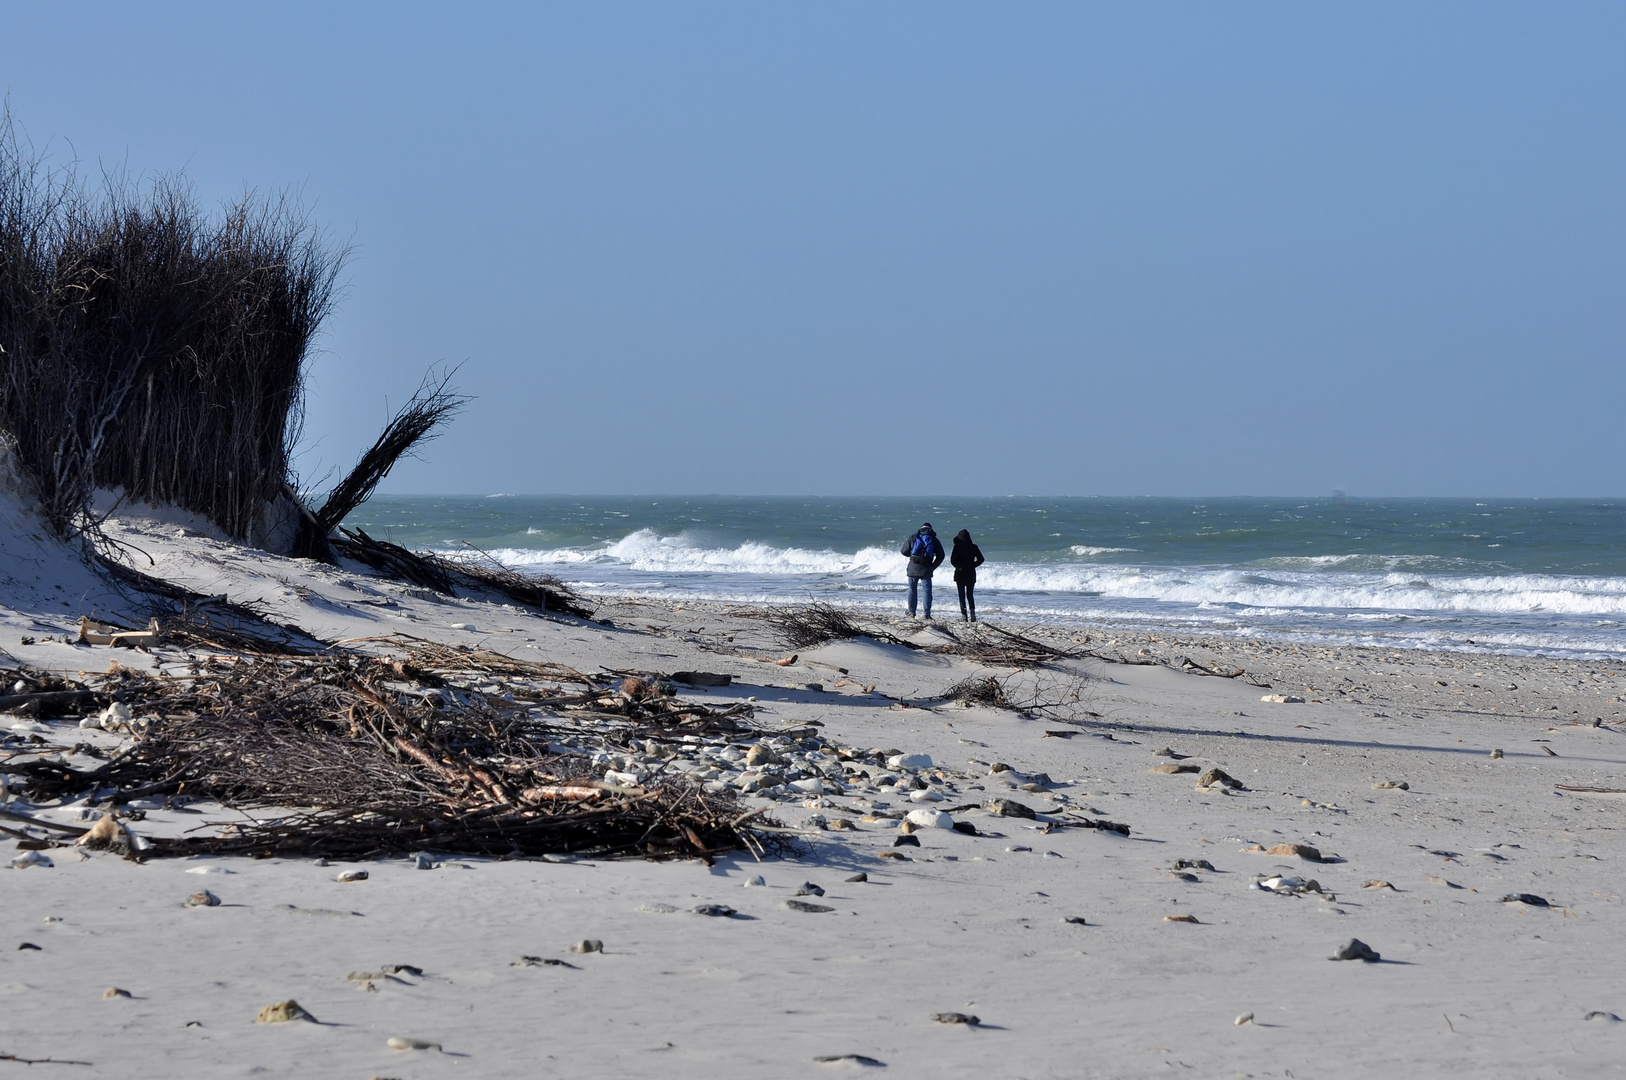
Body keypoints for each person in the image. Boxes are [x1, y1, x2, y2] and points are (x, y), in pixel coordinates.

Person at [900, 522, 945, 618]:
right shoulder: (934, 539)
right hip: (927, 568)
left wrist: (913, 556)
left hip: (913, 567)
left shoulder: (913, 537)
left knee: (912, 590)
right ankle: (927, 614)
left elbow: (903, 551)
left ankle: (912, 612)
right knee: (927, 591)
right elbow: (941, 555)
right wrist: (933, 566)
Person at [949, 529, 985, 622]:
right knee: (970, 594)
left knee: (961, 595)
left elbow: (952, 560)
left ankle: (964, 616)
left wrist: (958, 566)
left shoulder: (957, 547)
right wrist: (973, 565)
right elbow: (981, 559)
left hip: (960, 573)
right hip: (971, 573)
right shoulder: (974, 547)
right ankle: (972, 614)